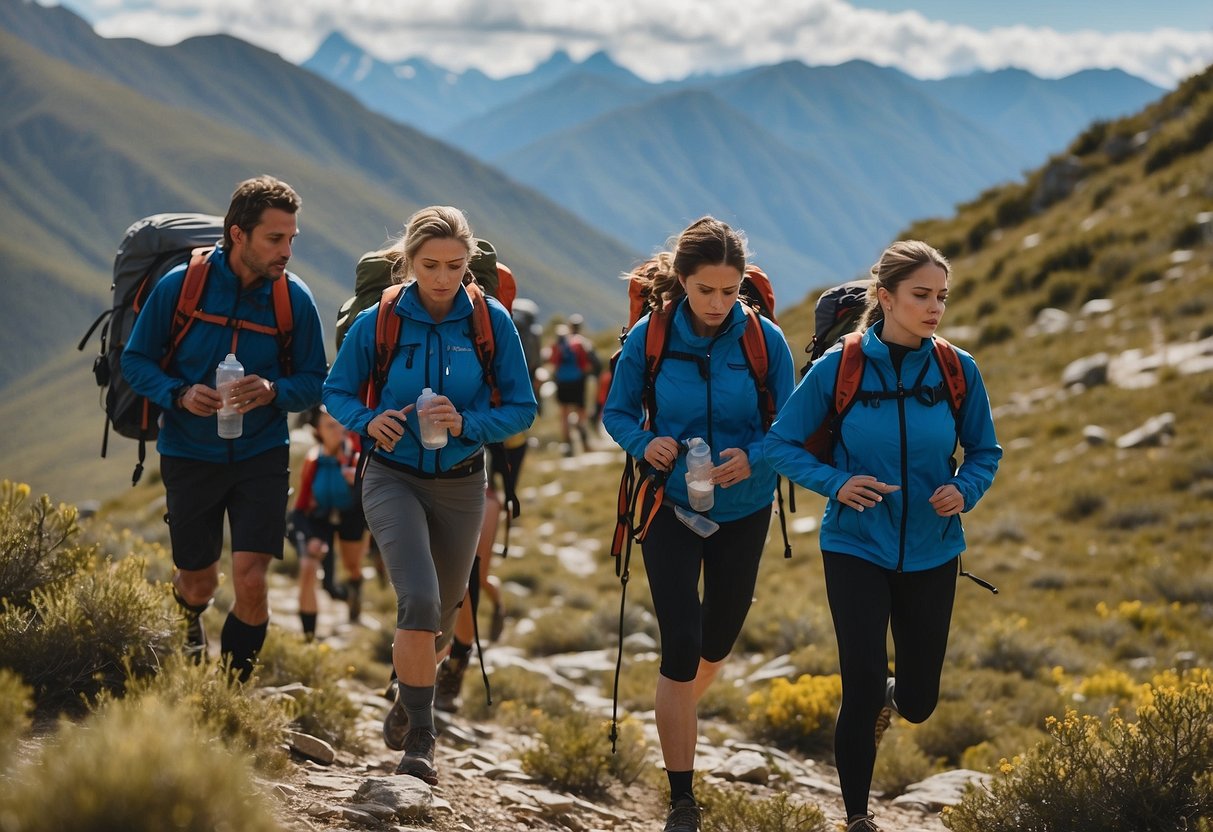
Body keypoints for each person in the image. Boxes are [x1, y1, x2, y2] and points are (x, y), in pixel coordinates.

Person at [763, 241, 1002, 832]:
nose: (934, 308)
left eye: (941, 297)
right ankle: (856, 816)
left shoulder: (956, 368)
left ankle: (895, 698)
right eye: (921, 295)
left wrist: (964, 490)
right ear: (886, 297)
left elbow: (985, 451)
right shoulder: (839, 366)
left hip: (933, 548)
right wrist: (837, 483)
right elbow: (778, 445)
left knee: (918, 701)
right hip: (854, 546)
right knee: (861, 683)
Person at [323, 206, 537, 784]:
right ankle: (422, 736)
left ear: (469, 263)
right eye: (430, 265)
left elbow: (522, 408)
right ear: (408, 263)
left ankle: (407, 695)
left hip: (463, 481)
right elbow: (336, 391)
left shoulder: (490, 321)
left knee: (441, 621)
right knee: (416, 601)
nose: (443, 277)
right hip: (391, 475)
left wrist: (468, 423)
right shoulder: (381, 320)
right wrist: (368, 421)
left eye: (455, 265)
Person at [602, 217, 795, 832]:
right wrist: (646, 442)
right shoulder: (649, 336)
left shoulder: (764, 340)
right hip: (669, 506)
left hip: (746, 508)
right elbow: (618, 412)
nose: (717, 303)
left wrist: (755, 455)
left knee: (718, 643)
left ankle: (674, 708)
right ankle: (682, 799)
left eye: (729, 290)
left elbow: (793, 427)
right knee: (681, 646)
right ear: (682, 280)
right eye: (705, 289)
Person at [122, 175, 327, 680]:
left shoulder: (293, 299)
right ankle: (190, 622)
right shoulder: (181, 286)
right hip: (189, 452)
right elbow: (137, 361)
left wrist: (275, 391)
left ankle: (232, 692)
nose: (286, 251)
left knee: (252, 579)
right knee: (197, 582)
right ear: (238, 234)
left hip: (261, 454)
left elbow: (315, 381)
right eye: (274, 239)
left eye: (291, 240)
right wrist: (179, 394)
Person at [433, 428, 528, 713]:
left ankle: (457, 662)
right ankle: (412, 669)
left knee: (471, 581)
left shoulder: (492, 398)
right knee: (428, 584)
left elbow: (516, 442)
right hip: (425, 490)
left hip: (481, 498)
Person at [288, 406, 369, 640]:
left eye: (339, 425)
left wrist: (357, 482)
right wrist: (311, 538)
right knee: (308, 567)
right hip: (320, 518)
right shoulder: (313, 460)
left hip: (351, 517)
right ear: (318, 431)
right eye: (329, 426)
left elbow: (373, 495)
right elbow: (300, 508)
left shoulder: (355, 457)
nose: (337, 430)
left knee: (352, 565)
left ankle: (354, 596)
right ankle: (309, 637)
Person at [548, 313, 599, 455]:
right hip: (577, 380)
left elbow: (552, 361)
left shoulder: (560, 342)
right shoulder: (582, 342)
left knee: (564, 413)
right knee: (580, 411)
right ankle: (582, 437)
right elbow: (588, 365)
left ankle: (567, 445)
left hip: (562, 381)